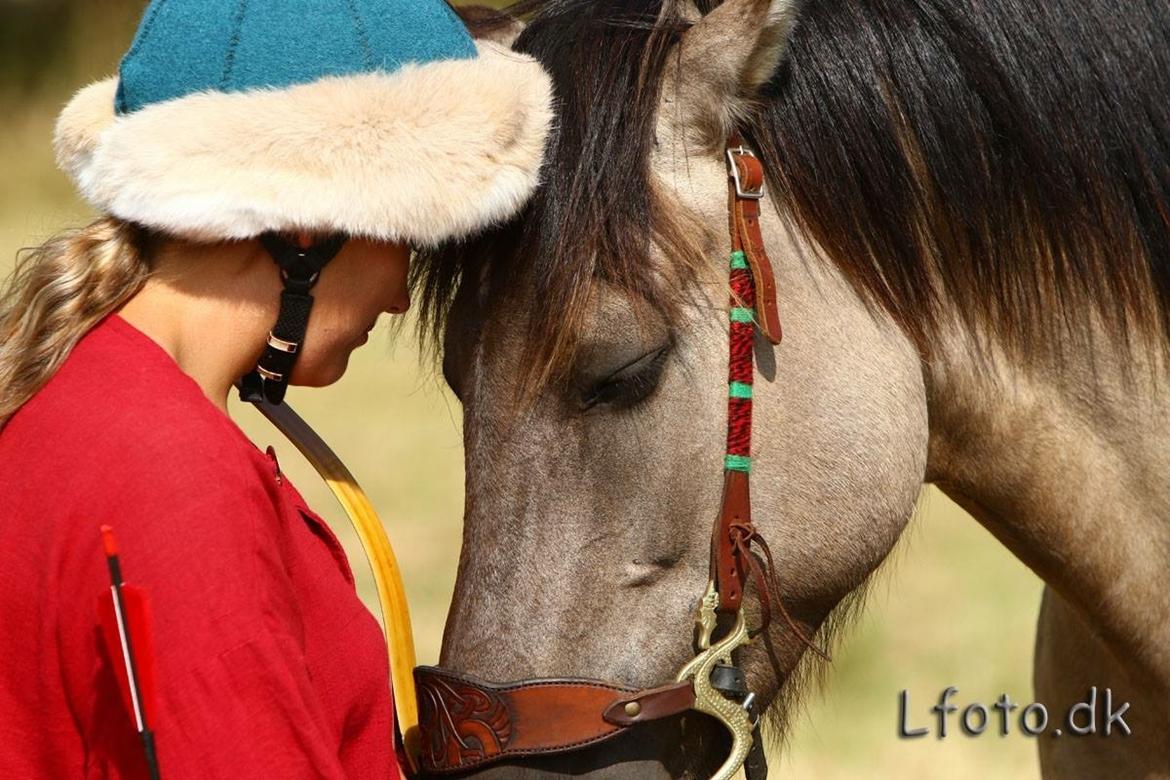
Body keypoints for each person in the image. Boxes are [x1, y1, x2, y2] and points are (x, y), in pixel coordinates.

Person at [0, 1, 552, 777]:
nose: (400, 297)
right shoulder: (174, 477)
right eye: (406, 232)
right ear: (305, 227)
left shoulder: (71, 401)